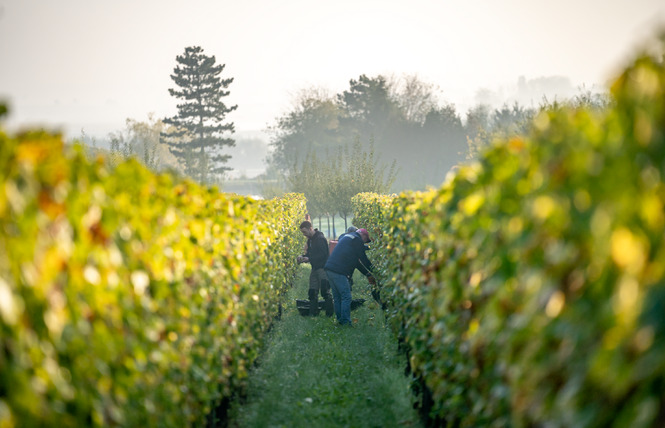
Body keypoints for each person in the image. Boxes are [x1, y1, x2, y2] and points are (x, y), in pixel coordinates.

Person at [324, 228, 375, 326]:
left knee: (338, 297)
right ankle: (346, 323)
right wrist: (374, 270)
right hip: (338, 271)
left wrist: (368, 274)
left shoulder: (347, 237)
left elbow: (356, 262)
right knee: (346, 297)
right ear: (363, 235)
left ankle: (340, 321)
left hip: (329, 268)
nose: (364, 242)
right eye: (366, 240)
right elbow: (363, 258)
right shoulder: (357, 240)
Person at [297, 221, 334, 316]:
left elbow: (323, 255)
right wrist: (303, 256)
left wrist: (309, 258)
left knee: (325, 291)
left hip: (323, 268)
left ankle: (329, 314)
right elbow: (310, 254)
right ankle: (313, 314)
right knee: (312, 292)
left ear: (310, 228)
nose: (304, 235)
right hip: (314, 268)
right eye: (302, 233)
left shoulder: (320, 239)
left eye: (305, 232)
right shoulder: (310, 240)